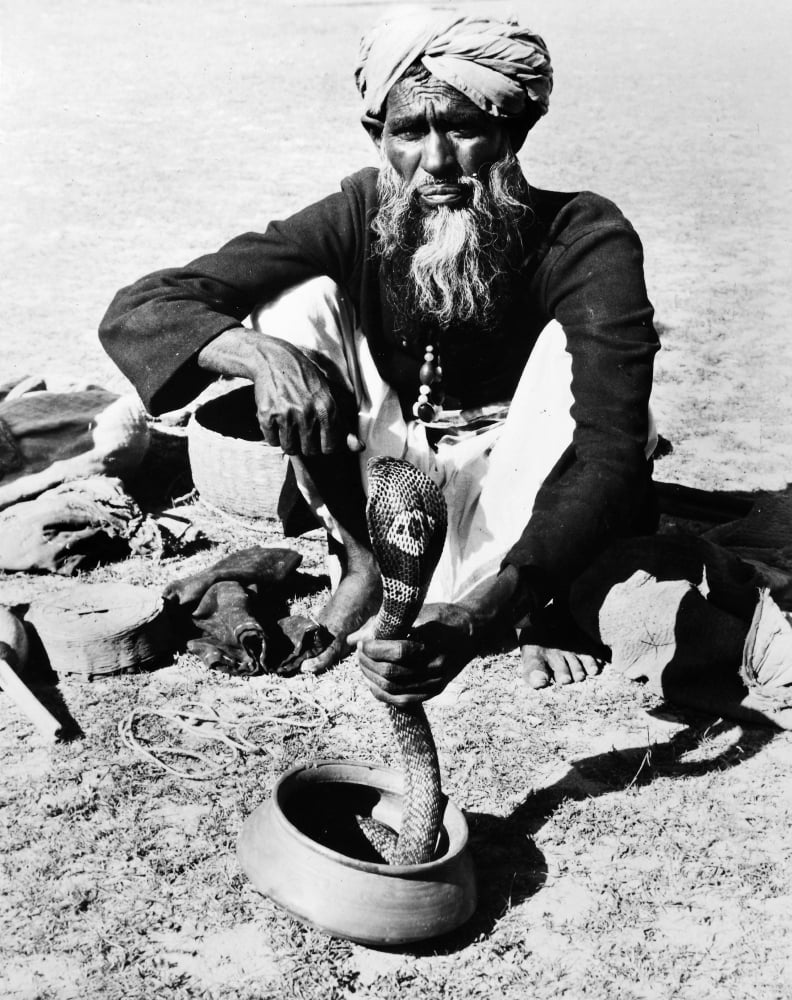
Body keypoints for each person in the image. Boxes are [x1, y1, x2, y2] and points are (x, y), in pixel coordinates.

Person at [100, 11, 662, 704]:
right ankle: (363, 567)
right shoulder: (360, 212)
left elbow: (611, 448)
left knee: (581, 369)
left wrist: (487, 615)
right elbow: (143, 308)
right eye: (409, 131)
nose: (435, 161)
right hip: (396, 484)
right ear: (378, 137)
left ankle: (535, 601)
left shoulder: (586, 235)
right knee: (291, 304)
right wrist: (262, 357)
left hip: (526, 492)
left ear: (514, 131)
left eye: (463, 128)